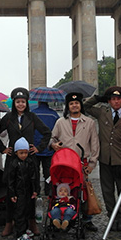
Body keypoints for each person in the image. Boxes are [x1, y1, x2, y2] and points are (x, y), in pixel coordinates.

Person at [0, 87, 51, 237]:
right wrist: (2, 149)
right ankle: (9, 222)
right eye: (18, 102)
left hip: (30, 159)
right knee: (10, 190)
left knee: (31, 190)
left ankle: (32, 222)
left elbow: (46, 132)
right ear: (14, 103)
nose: (20, 104)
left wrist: (39, 148)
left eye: (23, 102)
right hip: (12, 159)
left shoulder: (32, 117)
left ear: (26, 102)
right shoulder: (7, 118)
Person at [84, 86, 121, 233]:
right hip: (105, 159)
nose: (116, 101)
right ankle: (112, 217)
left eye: (118, 99)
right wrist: (98, 98)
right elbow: (85, 106)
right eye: (113, 99)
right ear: (109, 101)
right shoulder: (102, 112)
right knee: (107, 191)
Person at [51, 92, 100, 231]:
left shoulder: (89, 122)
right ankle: (62, 215)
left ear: (80, 105)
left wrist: (92, 164)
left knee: (83, 191)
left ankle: (87, 218)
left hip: (82, 162)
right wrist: (53, 145)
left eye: (77, 103)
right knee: (64, 188)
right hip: (65, 162)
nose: (74, 105)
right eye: (71, 103)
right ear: (68, 106)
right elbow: (52, 138)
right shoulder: (60, 122)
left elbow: (95, 144)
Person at [7, 137, 40, 240]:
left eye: (25, 153)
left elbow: (34, 177)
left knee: (27, 210)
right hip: (19, 191)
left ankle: (25, 229)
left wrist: (35, 189)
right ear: (16, 153)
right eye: (21, 153)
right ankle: (20, 233)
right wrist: (12, 193)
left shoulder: (30, 162)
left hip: (28, 191)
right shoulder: (14, 164)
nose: (24, 155)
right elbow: (11, 180)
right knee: (19, 212)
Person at [31, 101, 60, 196]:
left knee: (35, 172)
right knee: (48, 172)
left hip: (34, 147)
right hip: (49, 148)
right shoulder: (54, 114)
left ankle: (36, 191)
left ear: (38, 102)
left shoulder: (32, 113)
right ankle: (48, 192)